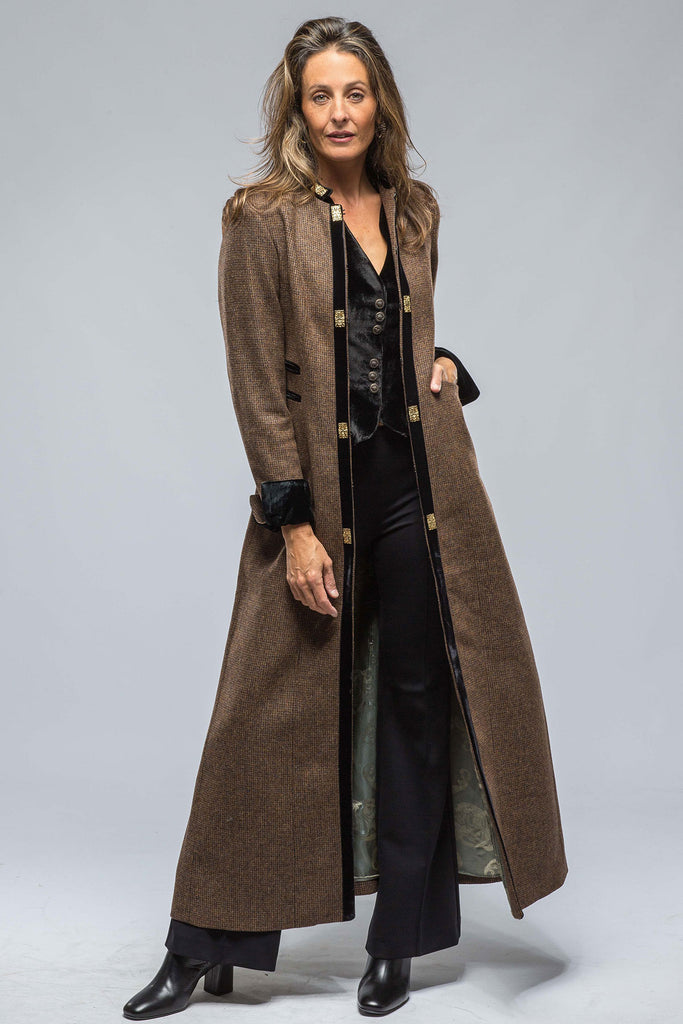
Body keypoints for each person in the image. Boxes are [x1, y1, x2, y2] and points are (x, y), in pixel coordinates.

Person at [123, 15, 567, 1022]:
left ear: (379, 104)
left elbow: (402, 332)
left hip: (418, 494)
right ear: (295, 107)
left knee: (415, 702)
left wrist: (442, 365)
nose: (337, 112)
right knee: (261, 717)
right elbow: (256, 384)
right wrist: (292, 526)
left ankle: (397, 944)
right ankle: (201, 944)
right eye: (319, 94)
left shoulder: (415, 210)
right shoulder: (258, 219)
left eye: (353, 93)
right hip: (317, 504)